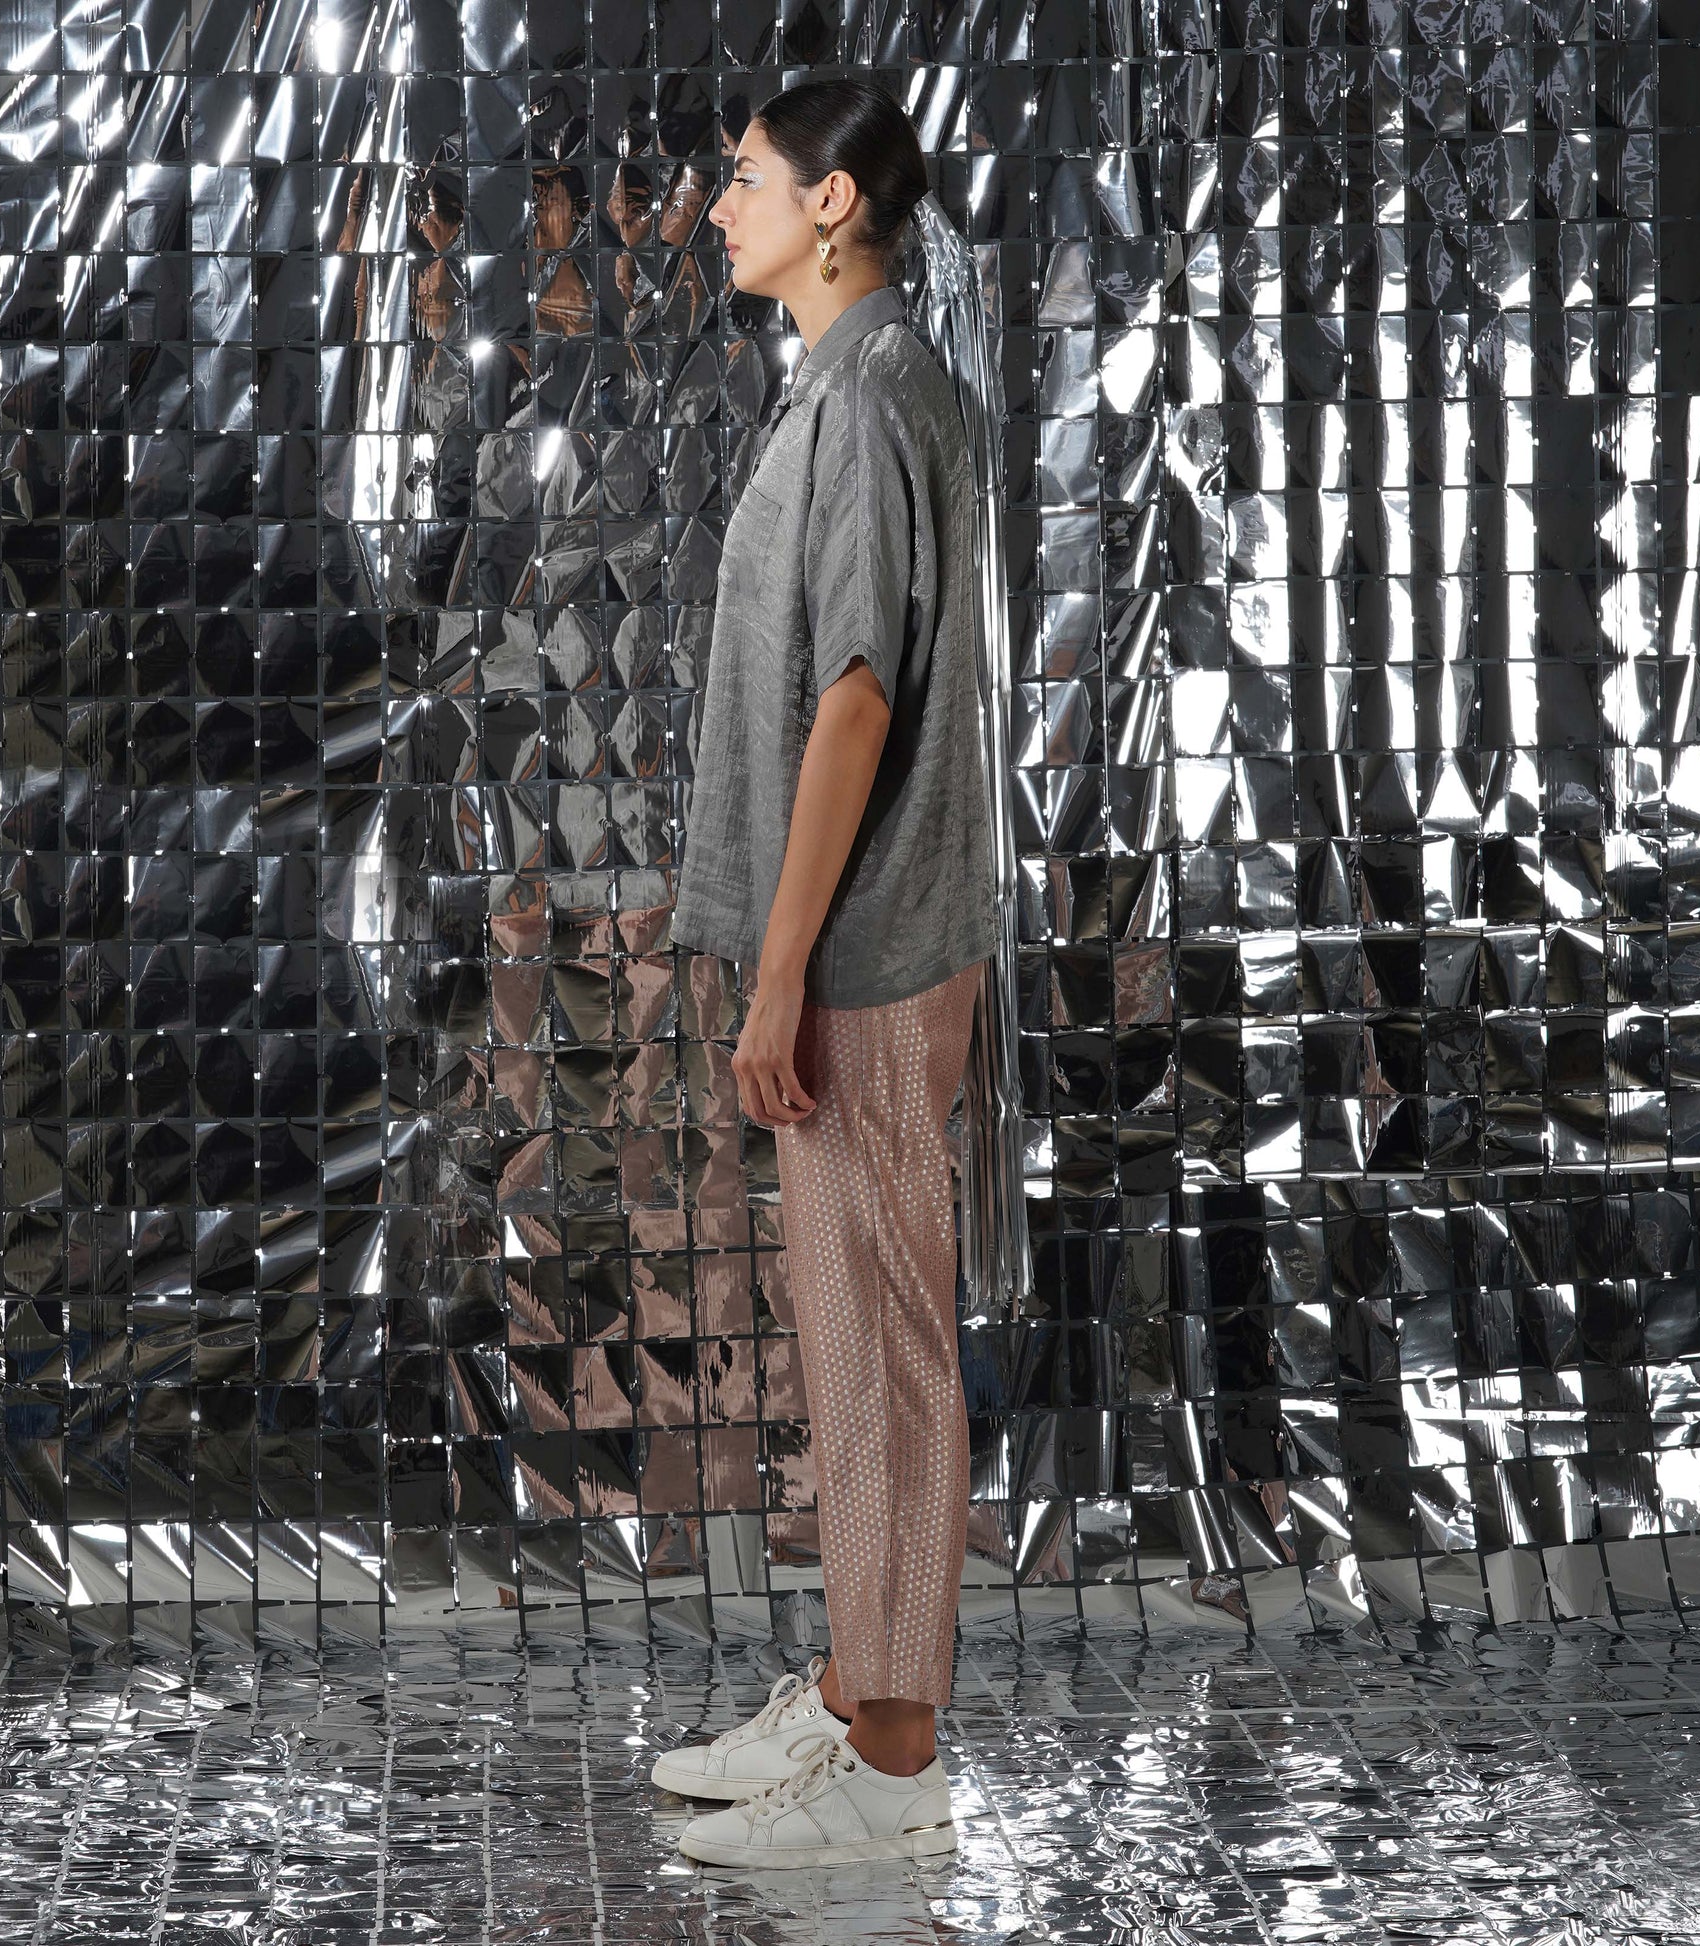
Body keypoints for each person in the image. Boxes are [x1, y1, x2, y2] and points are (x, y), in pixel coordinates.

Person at [653, 74, 997, 1869]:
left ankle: (892, 1763)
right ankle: (859, 1688)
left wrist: (780, 971)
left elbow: (855, 697)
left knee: (882, 1354)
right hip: (875, 940)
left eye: (743, 178)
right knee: (857, 1339)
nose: (720, 207)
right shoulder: (862, 376)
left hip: (865, 954)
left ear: (832, 202)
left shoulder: (865, 395)